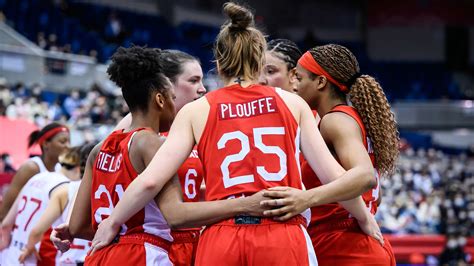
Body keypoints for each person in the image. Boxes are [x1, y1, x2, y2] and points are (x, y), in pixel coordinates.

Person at [90, 3, 382, 266]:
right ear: (259, 63)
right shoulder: (292, 103)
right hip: (281, 233)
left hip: (221, 237)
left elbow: (151, 179)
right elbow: (334, 176)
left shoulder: (197, 110)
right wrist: (363, 217)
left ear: (218, 64)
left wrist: (113, 221)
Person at [60, 46, 268, 266]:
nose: (201, 89)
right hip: (145, 250)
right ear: (160, 99)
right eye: (172, 96)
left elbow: (76, 227)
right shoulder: (152, 142)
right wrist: (246, 204)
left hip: (102, 253)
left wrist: (114, 231)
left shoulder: (100, 148)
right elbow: (175, 214)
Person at [262, 44, 398, 265]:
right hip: (353, 239)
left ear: (321, 82)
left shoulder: (334, 120)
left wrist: (306, 198)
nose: (295, 85)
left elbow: (365, 177)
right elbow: (376, 193)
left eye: (300, 78)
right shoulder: (345, 118)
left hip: (344, 243)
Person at [111, 49, 207, 266]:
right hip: (157, 241)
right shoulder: (135, 127)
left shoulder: (196, 122)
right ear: (166, 84)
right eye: (193, 81)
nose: (202, 89)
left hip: (195, 238)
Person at [0, 146, 81, 265]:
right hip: (32, 256)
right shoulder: (66, 188)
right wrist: (30, 245)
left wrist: (6, 243)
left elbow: (6, 224)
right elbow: (36, 231)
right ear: (79, 169)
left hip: (11, 254)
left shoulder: (36, 177)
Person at [18, 144, 95, 265]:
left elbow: (37, 230)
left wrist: (29, 247)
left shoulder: (64, 189)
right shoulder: (112, 191)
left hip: (69, 259)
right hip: (97, 258)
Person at [0, 122, 70, 221]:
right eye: (63, 142)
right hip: (21, 230)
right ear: (46, 144)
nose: (68, 146)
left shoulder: (60, 169)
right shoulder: (31, 167)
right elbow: (7, 205)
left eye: (68, 142)